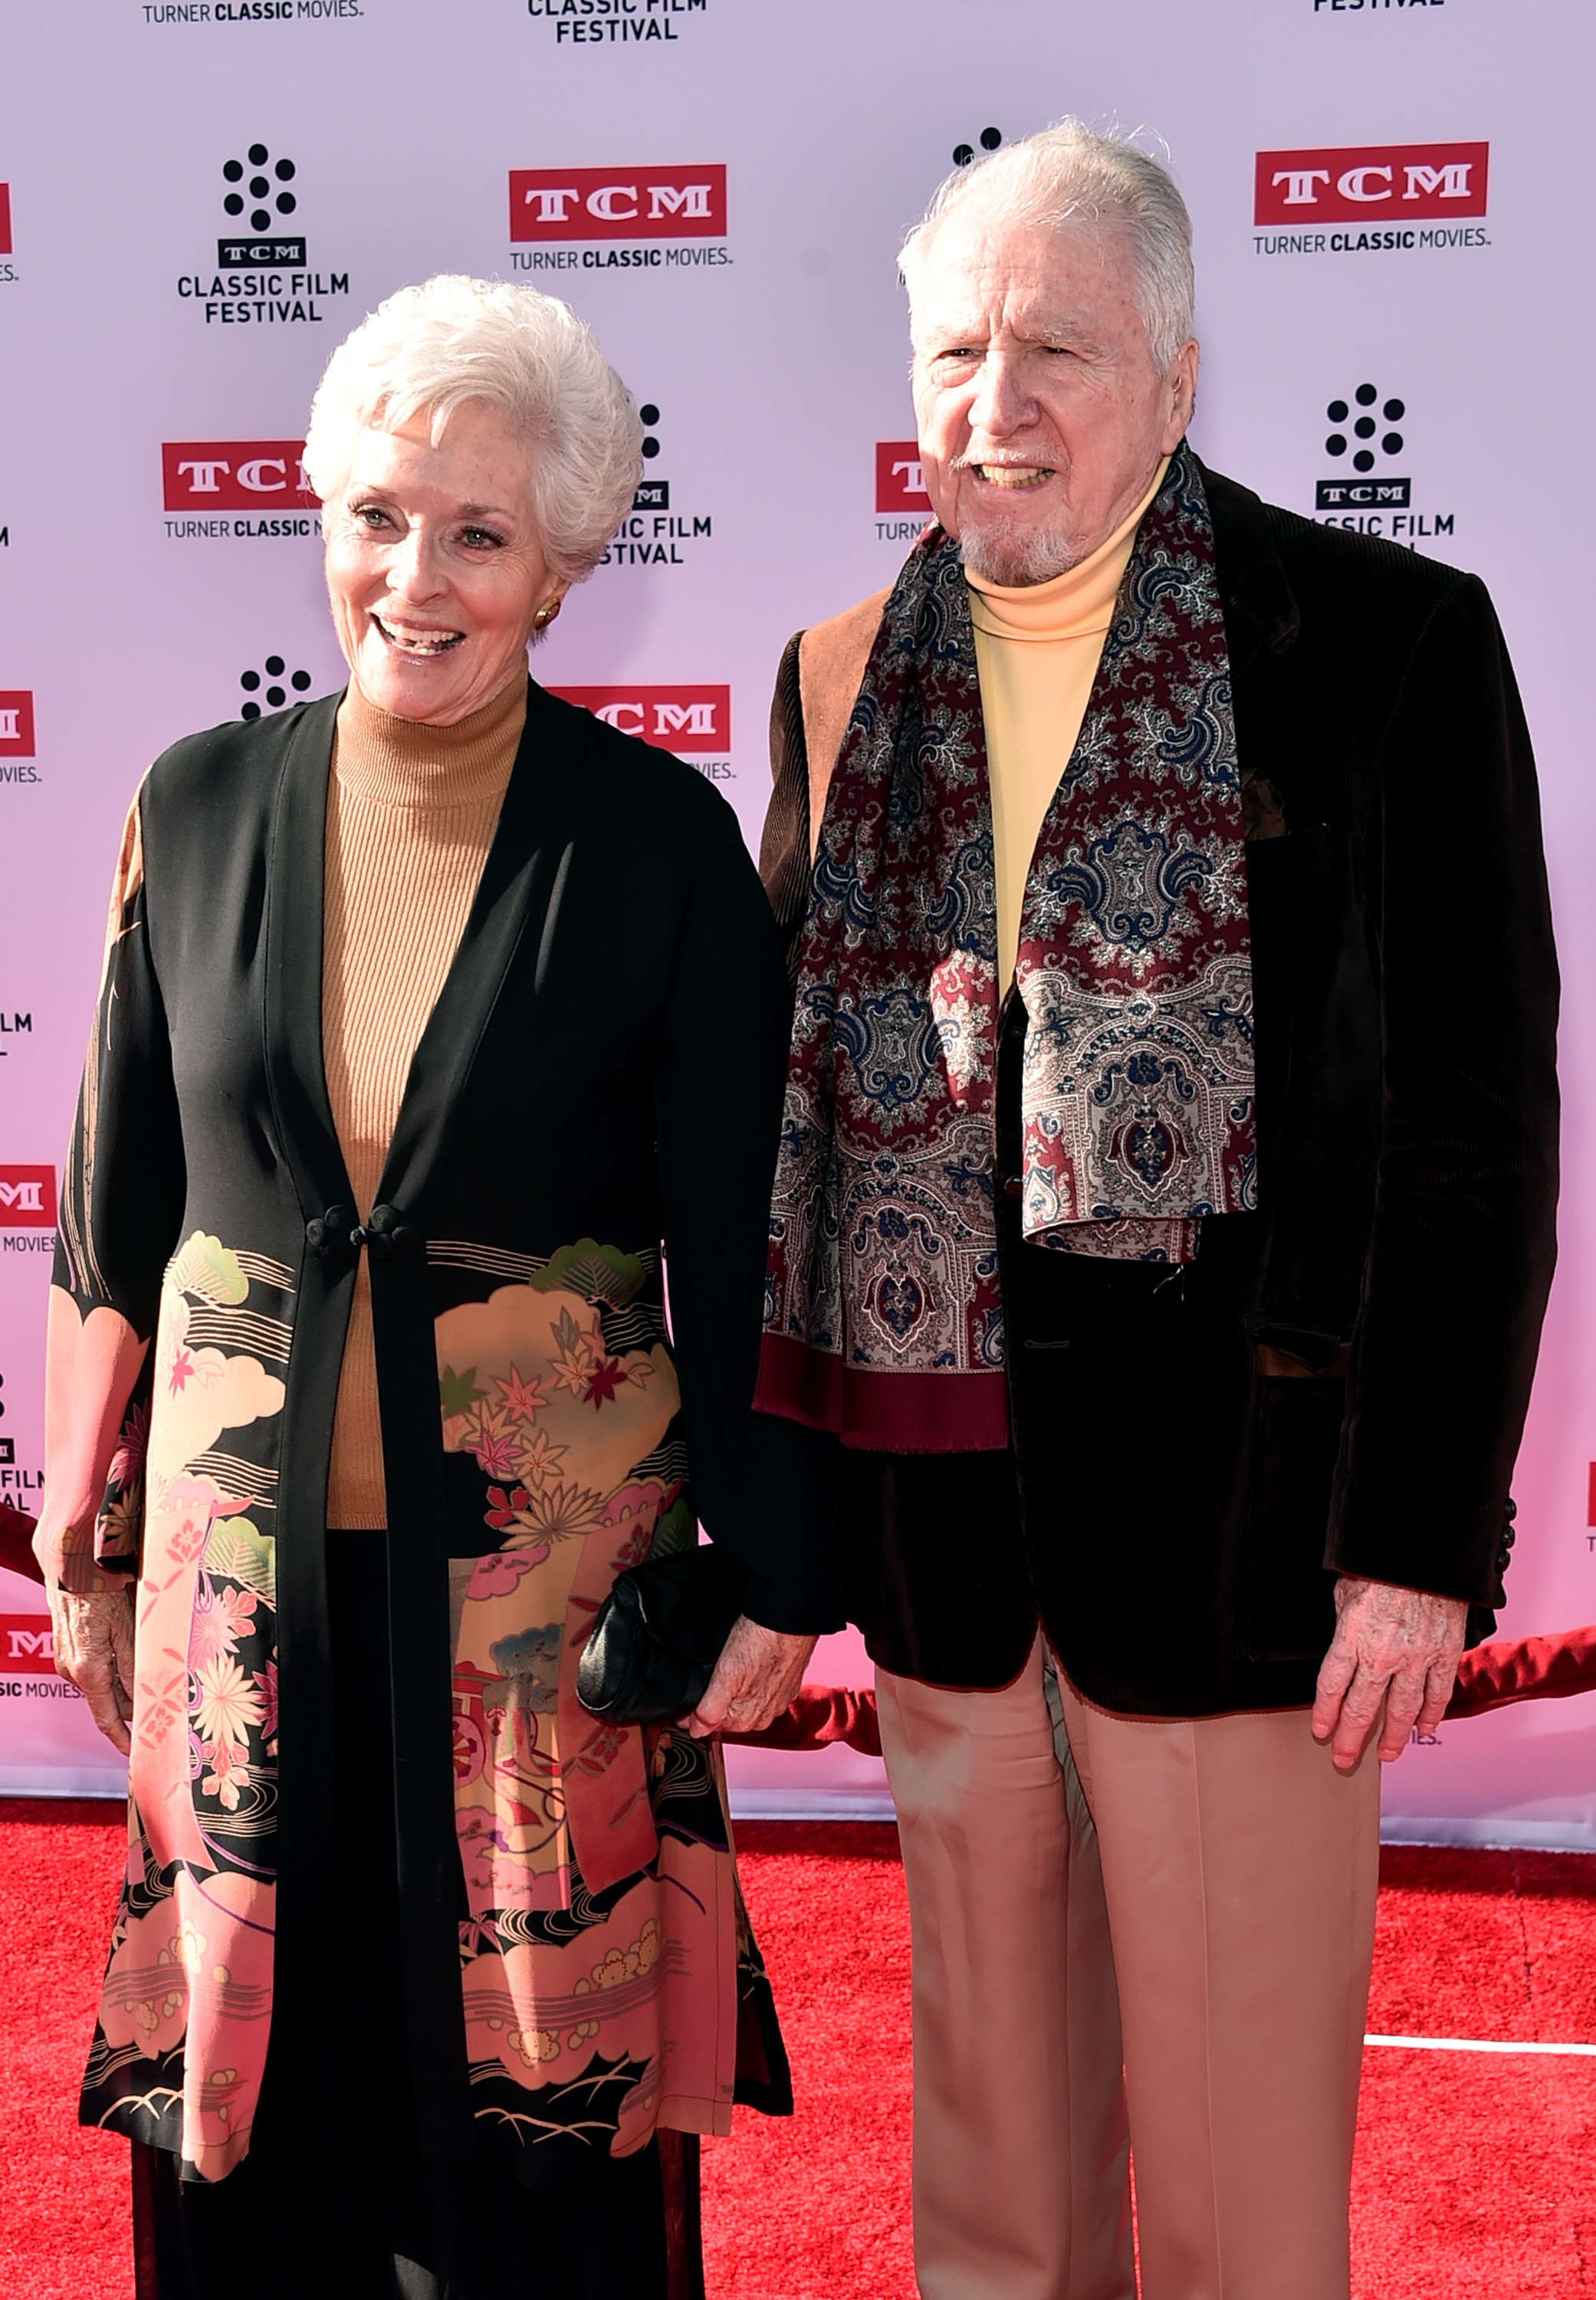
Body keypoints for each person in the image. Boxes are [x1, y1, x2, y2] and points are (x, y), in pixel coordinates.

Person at [757, 123, 1558, 2300]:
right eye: (953, 348)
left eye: (1057, 350)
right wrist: (777, 1535)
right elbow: (795, 1141)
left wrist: (1414, 1543)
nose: (992, 402)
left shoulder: (1381, 645)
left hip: (1248, 1554)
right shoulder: (839, 676)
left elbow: (1474, 1135)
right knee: (993, 2199)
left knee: (1234, 2214)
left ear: (1178, 378)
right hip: (945, 1546)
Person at [36, 273, 836, 2300]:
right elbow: (118, 1223)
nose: (415, 573)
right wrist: (78, 1521)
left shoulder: (655, 848)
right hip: (246, 1623)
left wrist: (777, 1565)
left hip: (543, 1652)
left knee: (532, 2166)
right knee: (248, 2170)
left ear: (564, 567)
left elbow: (741, 1241)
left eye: (478, 532)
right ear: (320, 513)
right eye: (378, 513)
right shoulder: (194, 812)